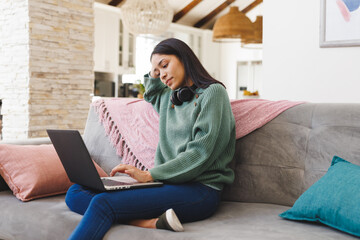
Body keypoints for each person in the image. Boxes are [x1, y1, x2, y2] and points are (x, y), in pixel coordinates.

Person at [65, 38, 235, 240]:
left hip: (200, 191)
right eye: (157, 72)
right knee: (76, 192)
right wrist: (153, 69)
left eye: (165, 65)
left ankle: (127, 216)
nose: (162, 75)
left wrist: (149, 175)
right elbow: (152, 92)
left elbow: (201, 153)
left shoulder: (213, 93)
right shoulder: (170, 99)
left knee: (103, 203)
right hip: (167, 185)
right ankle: (147, 223)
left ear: (185, 58)